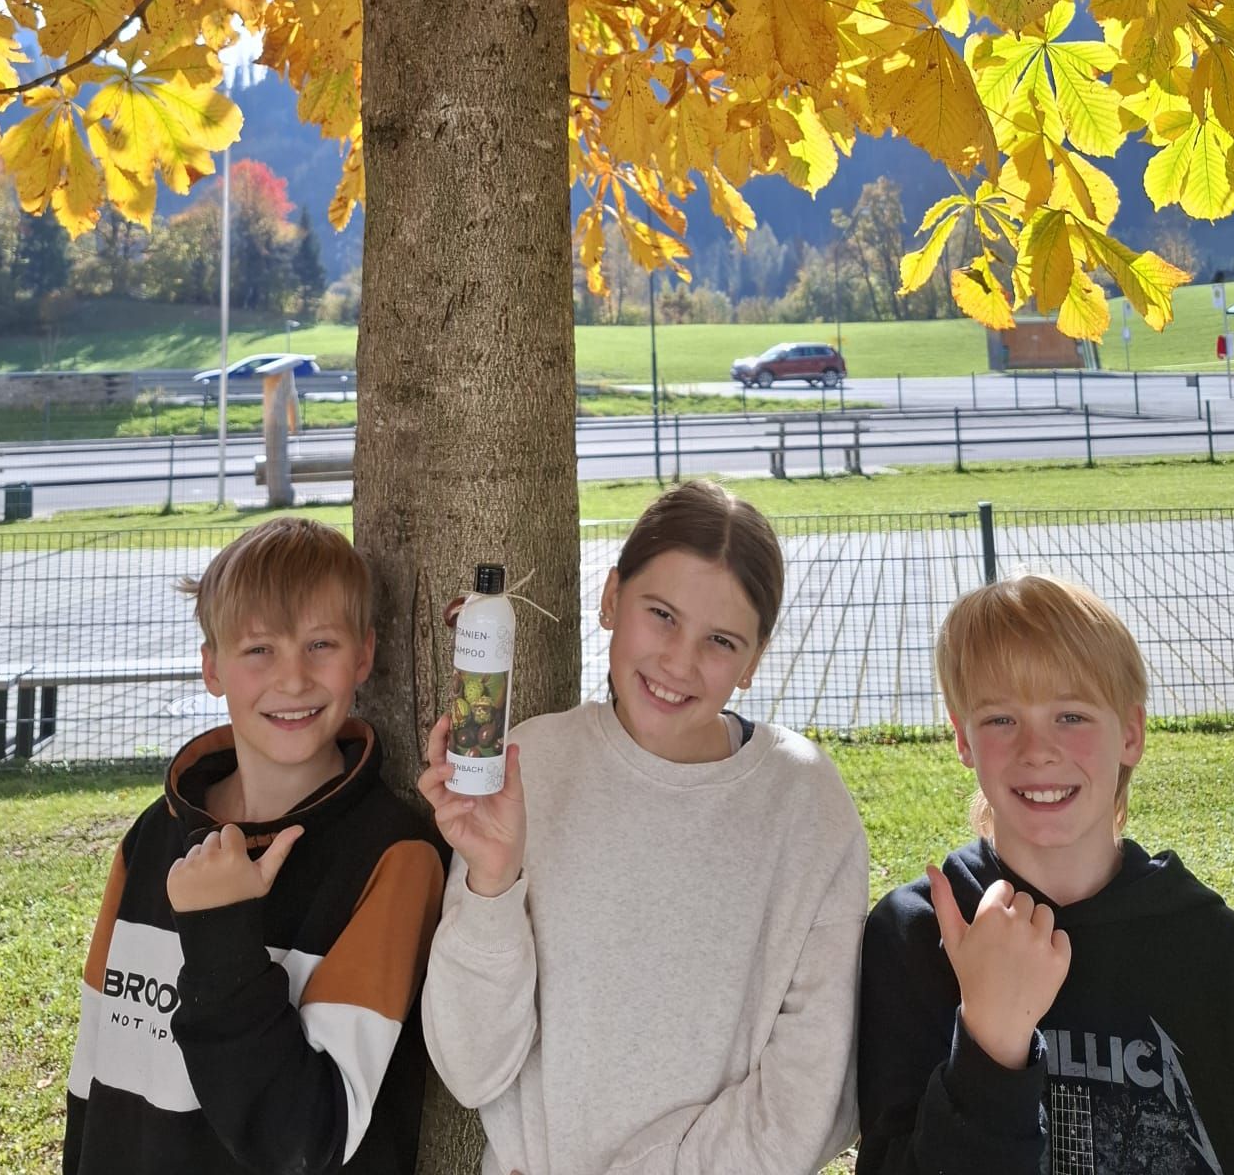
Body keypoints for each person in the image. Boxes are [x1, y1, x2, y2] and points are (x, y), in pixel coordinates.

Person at [419, 478, 869, 1175]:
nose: (679, 662)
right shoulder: (526, 767)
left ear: (753, 660)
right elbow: (472, 1071)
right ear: (610, 598)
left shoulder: (806, 806)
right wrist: (492, 883)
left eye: (720, 640)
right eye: (661, 615)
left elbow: (812, 1098)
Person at [856, 573, 1234, 1175]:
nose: (1037, 749)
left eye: (1070, 715)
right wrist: (990, 1040)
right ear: (962, 737)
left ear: (1130, 733)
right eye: (1000, 719)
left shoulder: (1215, 952)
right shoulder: (915, 939)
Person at [64, 516, 445, 1175]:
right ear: (212, 667)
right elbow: (94, 1079)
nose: (293, 679)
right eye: (259, 649)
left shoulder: (396, 860)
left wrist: (220, 932)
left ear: (364, 656)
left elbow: (304, 1139)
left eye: (320, 643)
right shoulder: (151, 839)